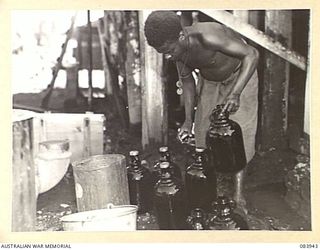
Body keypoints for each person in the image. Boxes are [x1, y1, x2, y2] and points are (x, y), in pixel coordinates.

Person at [144, 11, 259, 211]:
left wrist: (235, 94)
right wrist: (188, 121)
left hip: (240, 77)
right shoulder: (178, 52)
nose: (168, 56)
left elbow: (252, 54)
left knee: (238, 134)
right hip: (210, 81)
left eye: (169, 50)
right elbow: (187, 83)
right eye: (163, 52)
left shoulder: (209, 35)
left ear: (181, 36)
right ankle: (214, 191)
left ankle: (239, 197)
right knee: (202, 134)